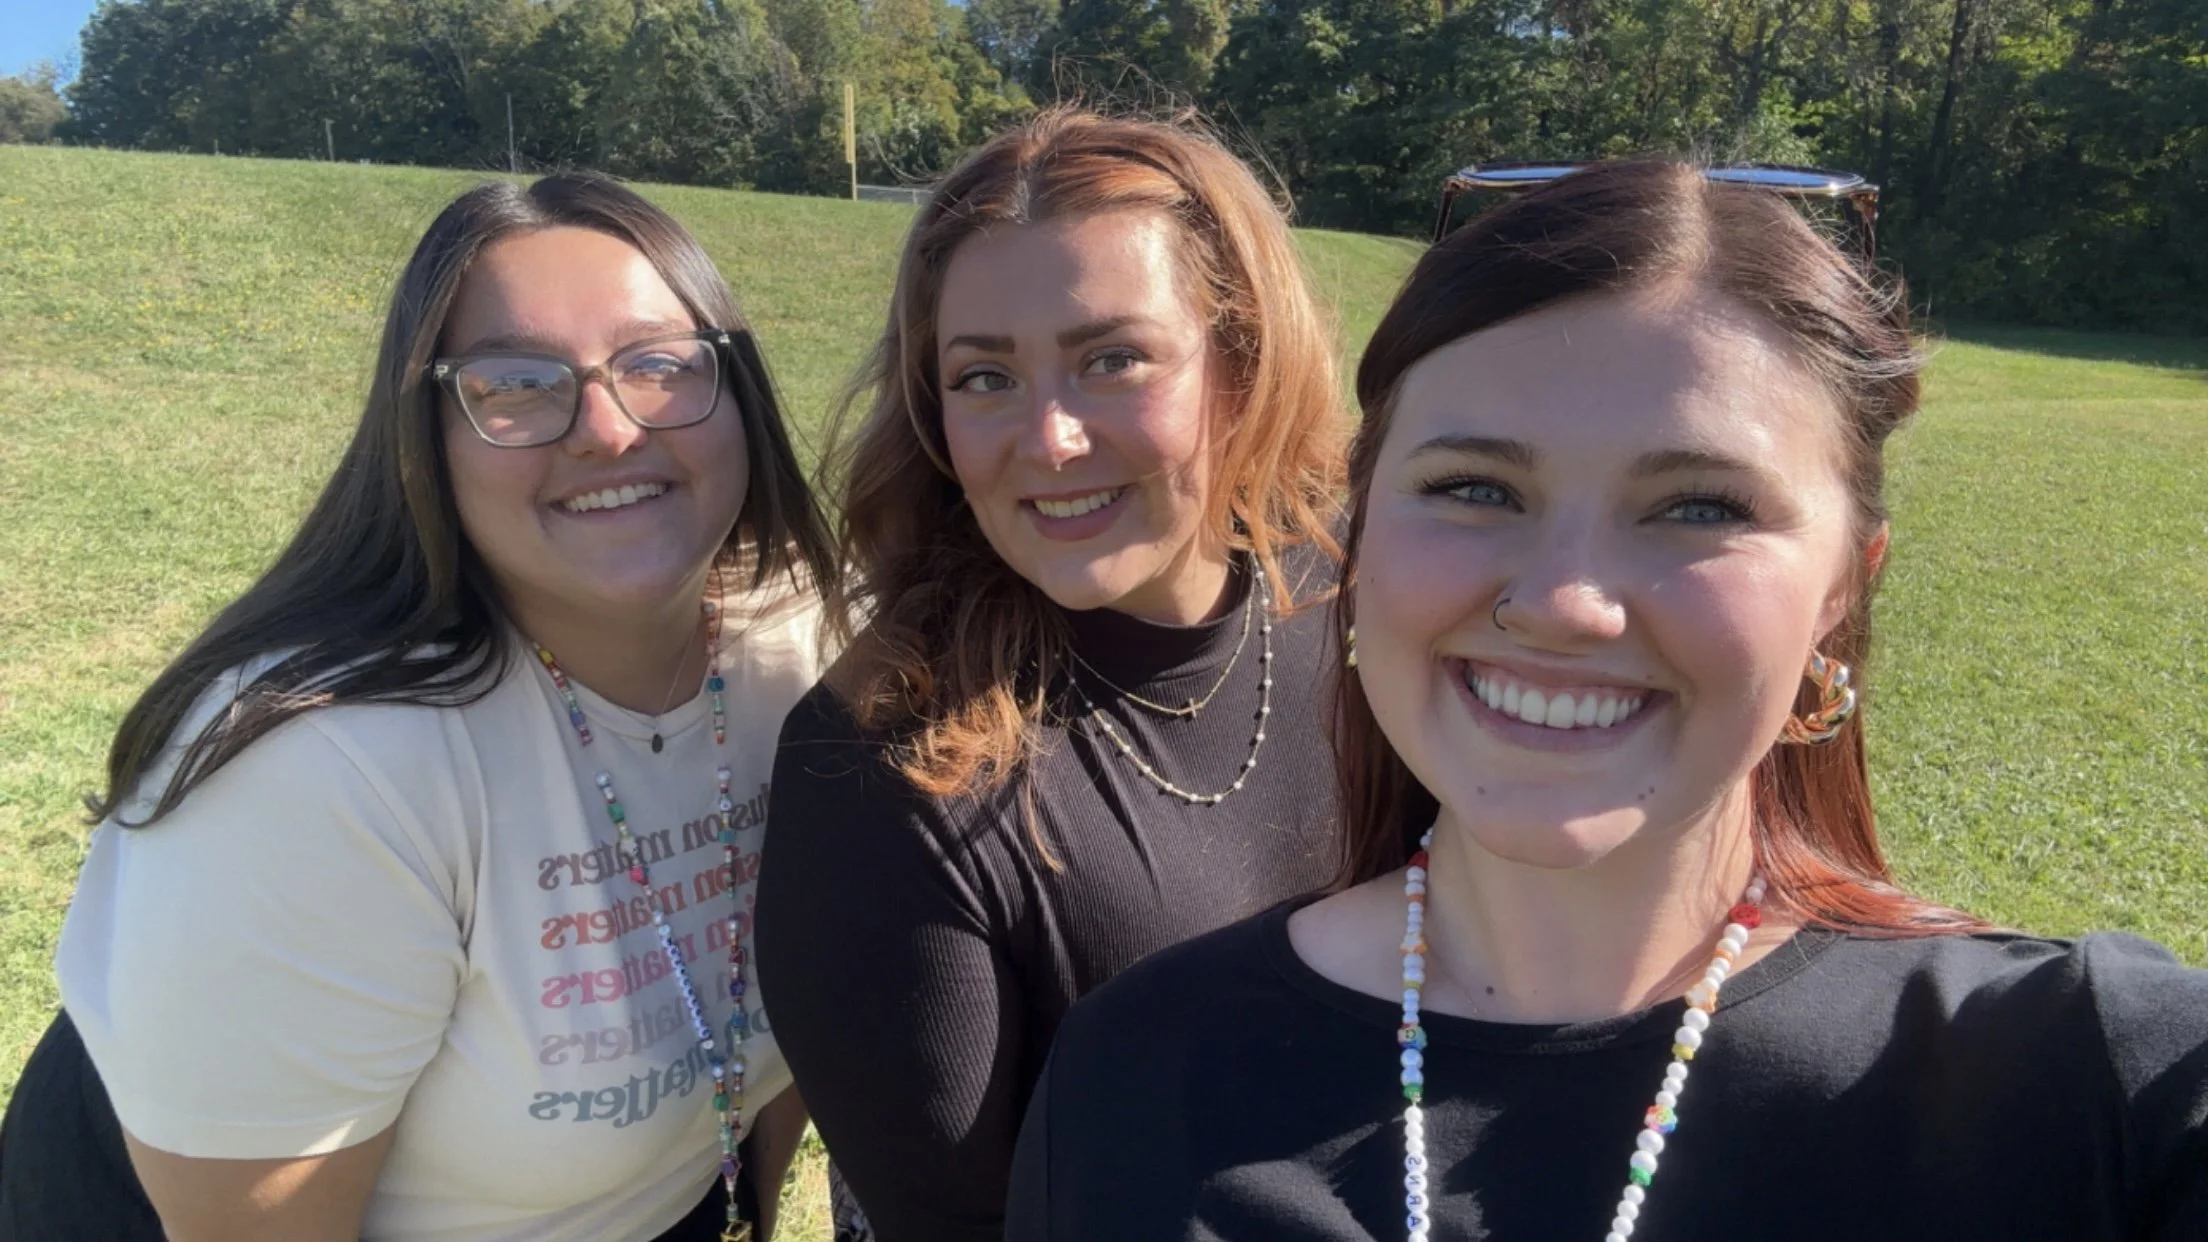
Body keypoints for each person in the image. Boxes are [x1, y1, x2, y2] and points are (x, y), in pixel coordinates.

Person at [1005, 160, 2208, 1240]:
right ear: (1359, 538)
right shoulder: (1135, 1076)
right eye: (1475, 487)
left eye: (1700, 507)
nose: (1568, 603)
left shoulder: (2085, 1075)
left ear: (1844, 586)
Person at [0, 172, 836, 1242]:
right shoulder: (320, 771)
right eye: (516, 385)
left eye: (662, 366)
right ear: (427, 439)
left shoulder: (807, 656)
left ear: (741, 396)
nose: (606, 429)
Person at [753, 108, 1357, 1242]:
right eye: (985, 377)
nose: (1052, 437)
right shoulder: (886, 776)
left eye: (1112, 359)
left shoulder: (1364, 602)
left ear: (1244, 361)